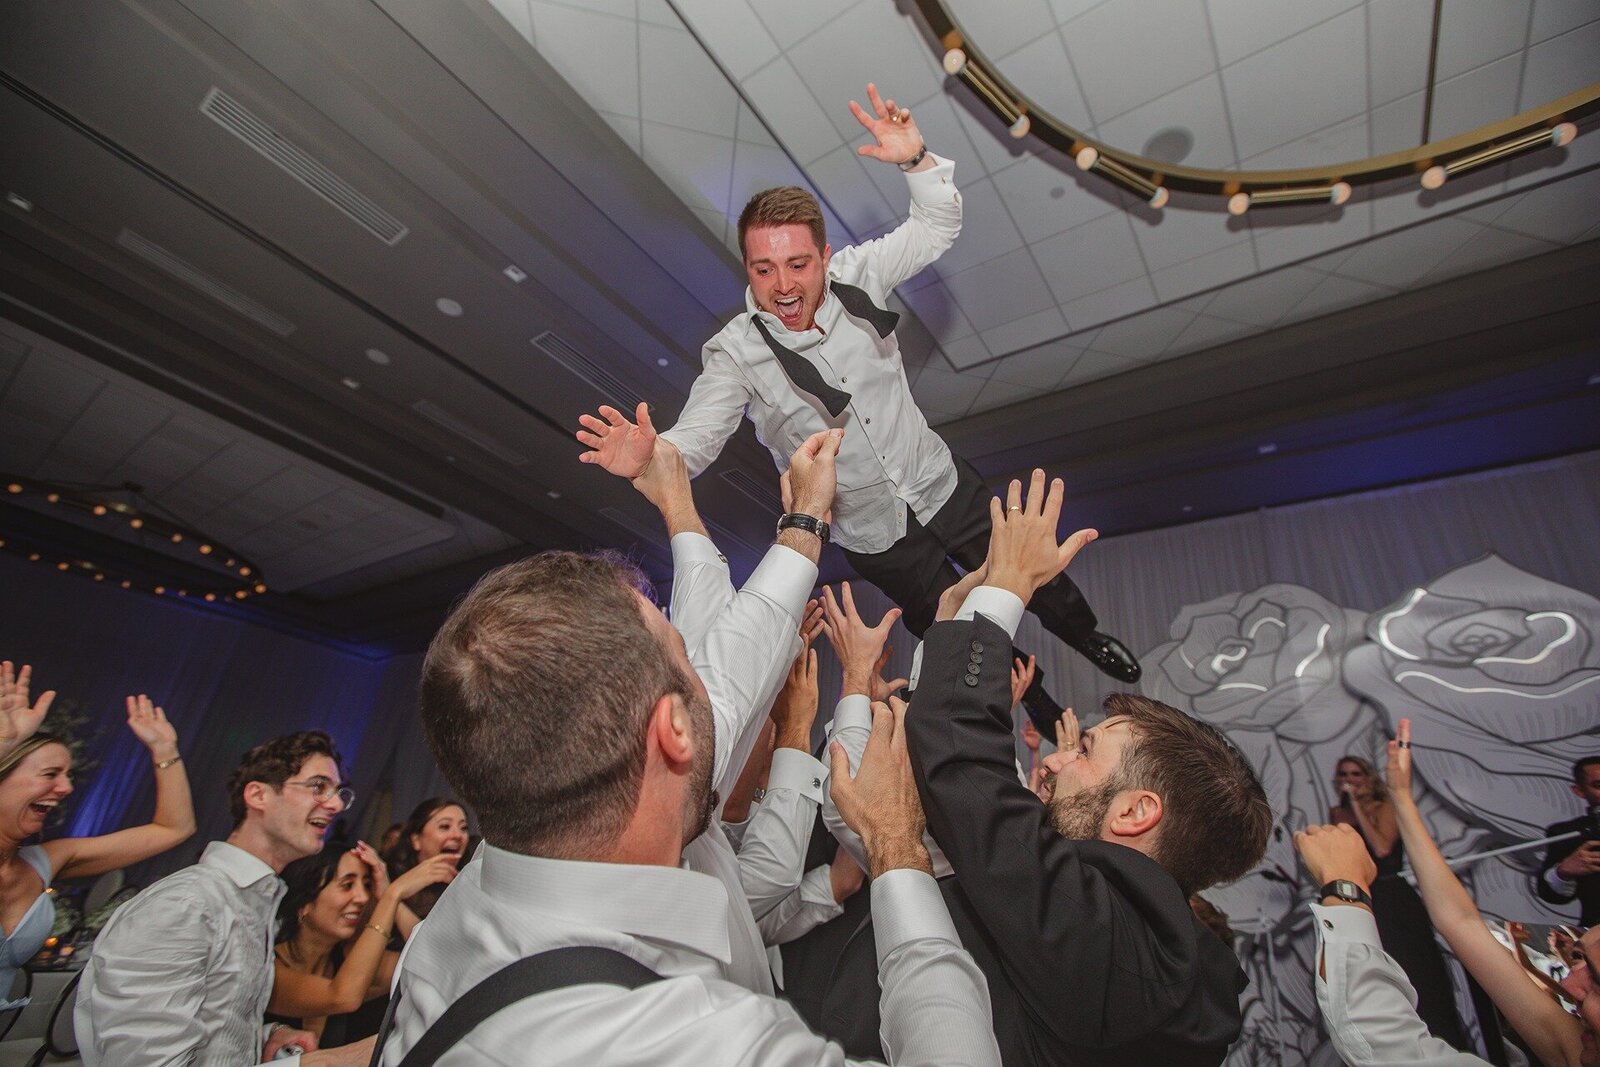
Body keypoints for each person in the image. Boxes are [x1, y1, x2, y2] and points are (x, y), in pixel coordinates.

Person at [378, 428, 999, 1066]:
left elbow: (729, 669)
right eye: (683, 655)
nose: (704, 665)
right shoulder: (681, 1041)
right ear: (672, 730)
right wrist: (895, 848)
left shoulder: (465, 906)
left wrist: (726, 512)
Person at [574, 81, 1139, 732]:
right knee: (957, 624)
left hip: (937, 479)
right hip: (874, 534)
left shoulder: (860, 276)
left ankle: (1086, 633)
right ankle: (1034, 699)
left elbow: (937, 226)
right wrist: (656, 454)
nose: (783, 286)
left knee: (1028, 566)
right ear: (747, 269)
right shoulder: (736, 352)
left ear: (824, 256)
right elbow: (695, 438)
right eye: (763, 269)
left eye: (798, 264)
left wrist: (916, 161)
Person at [812, 471, 1274, 1065]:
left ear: (1136, 811)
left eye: (1085, 752)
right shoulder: (1113, 933)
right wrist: (953, 623)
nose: (1055, 759)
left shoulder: (1114, 945)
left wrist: (1008, 586)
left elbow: (966, 765)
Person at [1295, 717, 1600, 1067]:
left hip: (1387, 899)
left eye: (1596, 979)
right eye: (1579, 960)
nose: (1570, 985)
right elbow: (1460, 921)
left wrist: (1343, 886)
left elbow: (1384, 1045)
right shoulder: (1572, 1052)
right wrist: (1402, 796)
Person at [76, 730, 373, 1066]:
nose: (335, 805)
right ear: (258, 795)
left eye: (338, 793)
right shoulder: (187, 905)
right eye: (318, 787)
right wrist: (324, 1063)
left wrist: (265, 1035)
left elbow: (213, 1024)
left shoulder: (252, 903)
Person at [0, 687, 196, 999]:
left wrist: (164, 750)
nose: (66, 787)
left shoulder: (46, 861)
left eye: (67, 775)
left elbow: (174, 828)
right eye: (50, 774)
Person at [1330, 754, 1467, 1047]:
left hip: (1394, 898)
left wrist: (1357, 806)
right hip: (1363, 900)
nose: (1349, 780)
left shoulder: (1387, 806)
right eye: (1344, 774)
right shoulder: (1337, 814)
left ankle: (1443, 1041)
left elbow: (1381, 848)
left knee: (1417, 972)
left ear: (1367, 777)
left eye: (1356, 774)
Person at [266, 841, 459, 1044]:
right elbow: (342, 996)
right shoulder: (269, 966)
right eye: (347, 885)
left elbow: (434, 963)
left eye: (367, 885)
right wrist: (393, 894)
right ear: (304, 903)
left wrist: (387, 892)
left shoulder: (349, 961)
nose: (363, 897)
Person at [1536, 755, 1600, 925]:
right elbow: (1550, 895)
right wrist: (1563, 872)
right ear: (1579, 791)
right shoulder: (1571, 833)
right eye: (1599, 785)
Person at [385, 797, 468, 920]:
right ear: (416, 840)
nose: (458, 835)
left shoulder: (471, 885)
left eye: (464, 828)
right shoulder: (388, 878)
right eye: (445, 826)